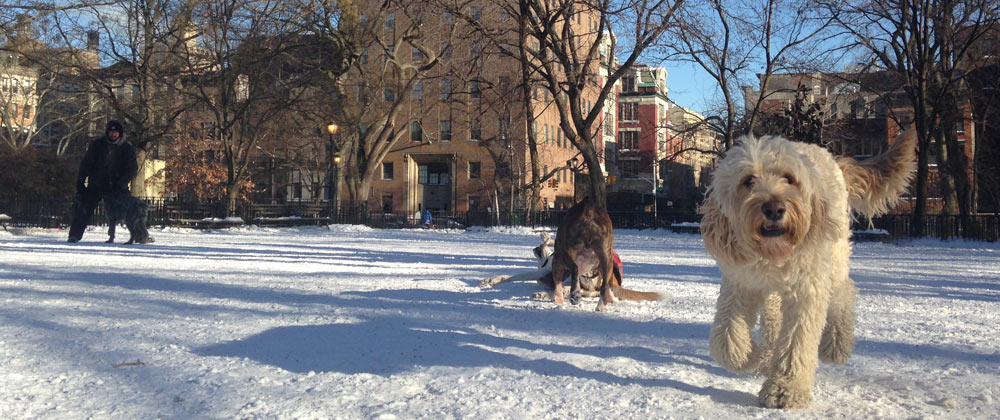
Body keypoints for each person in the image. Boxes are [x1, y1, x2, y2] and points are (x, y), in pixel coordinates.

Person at [68, 120, 138, 242]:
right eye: (111, 132)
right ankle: (74, 235)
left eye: (116, 133)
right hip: (96, 183)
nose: (113, 135)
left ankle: (141, 235)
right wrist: (81, 181)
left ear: (120, 134)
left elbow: (132, 169)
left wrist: (121, 183)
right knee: (84, 209)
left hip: (117, 185)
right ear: (107, 132)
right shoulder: (96, 145)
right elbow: (86, 164)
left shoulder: (127, 148)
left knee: (131, 210)